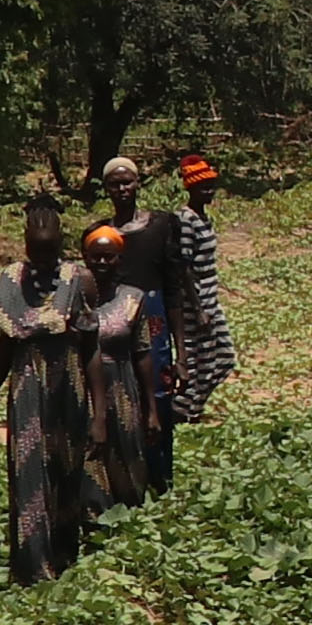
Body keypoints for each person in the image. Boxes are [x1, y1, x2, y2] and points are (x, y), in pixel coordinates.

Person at [0, 194, 99, 585]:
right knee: (28, 475)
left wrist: (101, 413)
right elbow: (6, 349)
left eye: (50, 251)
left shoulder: (78, 279)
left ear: (62, 243)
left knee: (66, 472)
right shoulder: (10, 281)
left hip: (68, 386)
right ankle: (31, 568)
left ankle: (65, 561)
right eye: (35, 251)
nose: (42, 259)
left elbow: (90, 344)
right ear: (25, 243)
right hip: (27, 388)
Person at [96, 156, 183, 490]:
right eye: (115, 184)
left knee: (157, 402)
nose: (122, 189)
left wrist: (183, 355)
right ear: (106, 189)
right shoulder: (100, 236)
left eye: (127, 181)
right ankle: (124, 479)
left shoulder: (161, 226)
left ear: (138, 183)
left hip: (157, 323)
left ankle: (161, 480)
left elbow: (174, 288)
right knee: (120, 399)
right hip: (117, 326)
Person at [76, 224, 155, 517]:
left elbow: (143, 352)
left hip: (122, 385)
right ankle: (94, 517)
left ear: (119, 259)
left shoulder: (133, 298)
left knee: (126, 452)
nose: (101, 263)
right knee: (90, 452)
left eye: (109, 257)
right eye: (95, 257)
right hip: (82, 386)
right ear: (84, 257)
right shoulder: (72, 299)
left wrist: (152, 409)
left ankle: (129, 515)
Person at [167, 154, 237, 425]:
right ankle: (183, 410)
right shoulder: (186, 220)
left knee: (225, 358)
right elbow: (183, 266)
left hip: (210, 299)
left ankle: (187, 407)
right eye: (203, 187)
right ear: (191, 189)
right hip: (196, 303)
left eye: (211, 186)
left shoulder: (203, 217)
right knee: (202, 362)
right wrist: (197, 309)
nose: (209, 191)